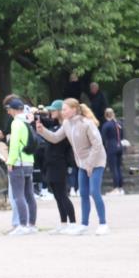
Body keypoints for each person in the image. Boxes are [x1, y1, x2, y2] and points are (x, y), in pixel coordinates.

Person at [36, 98, 108, 235]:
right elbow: (55, 138)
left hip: (96, 161)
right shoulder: (67, 124)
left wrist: (90, 164)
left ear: (74, 109)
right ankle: (84, 224)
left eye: (64, 109)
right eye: (62, 109)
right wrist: (42, 131)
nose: (62, 112)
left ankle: (103, 223)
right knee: (83, 194)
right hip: (82, 163)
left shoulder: (87, 123)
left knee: (94, 191)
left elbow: (97, 144)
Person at [39, 102, 76, 233]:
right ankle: (63, 223)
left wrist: (43, 130)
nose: (51, 112)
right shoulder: (55, 125)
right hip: (51, 164)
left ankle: (72, 223)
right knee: (57, 196)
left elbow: (55, 139)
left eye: (54, 110)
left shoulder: (65, 126)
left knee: (63, 195)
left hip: (60, 164)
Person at [4, 99, 37, 236]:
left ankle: (22, 225)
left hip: (18, 162)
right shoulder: (27, 122)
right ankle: (32, 224)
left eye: (9, 109)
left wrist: (10, 161)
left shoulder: (16, 123)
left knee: (18, 195)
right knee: (30, 195)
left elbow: (14, 144)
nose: (8, 111)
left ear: (15, 109)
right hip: (29, 160)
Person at [101, 108, 125, 195]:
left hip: (111, 147)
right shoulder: (119, 124)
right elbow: (122, 136)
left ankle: (116, 188)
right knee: (118, 168)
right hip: (119, 146)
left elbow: (103, 138)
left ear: (105, 115)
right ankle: (121, 188)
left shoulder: (106, 125)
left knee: (114, 168)